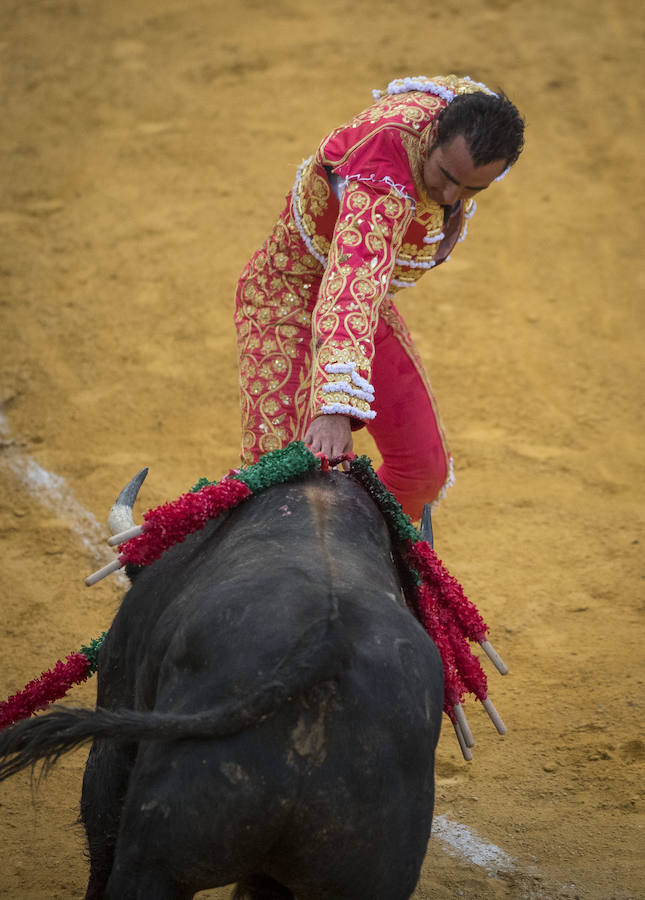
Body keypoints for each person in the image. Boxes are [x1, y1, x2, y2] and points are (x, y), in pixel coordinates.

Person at [234, 74, 525, 519]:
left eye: (472, 189)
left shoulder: (465, 111)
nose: (450, 197)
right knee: (279, 491)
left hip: (366, 306)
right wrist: (333, 404)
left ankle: (359, 554)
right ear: (430, 138)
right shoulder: (382, 170)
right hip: (288, 297)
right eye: (446, 177)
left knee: (421, 473)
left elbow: (362, 287)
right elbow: (351, 282)